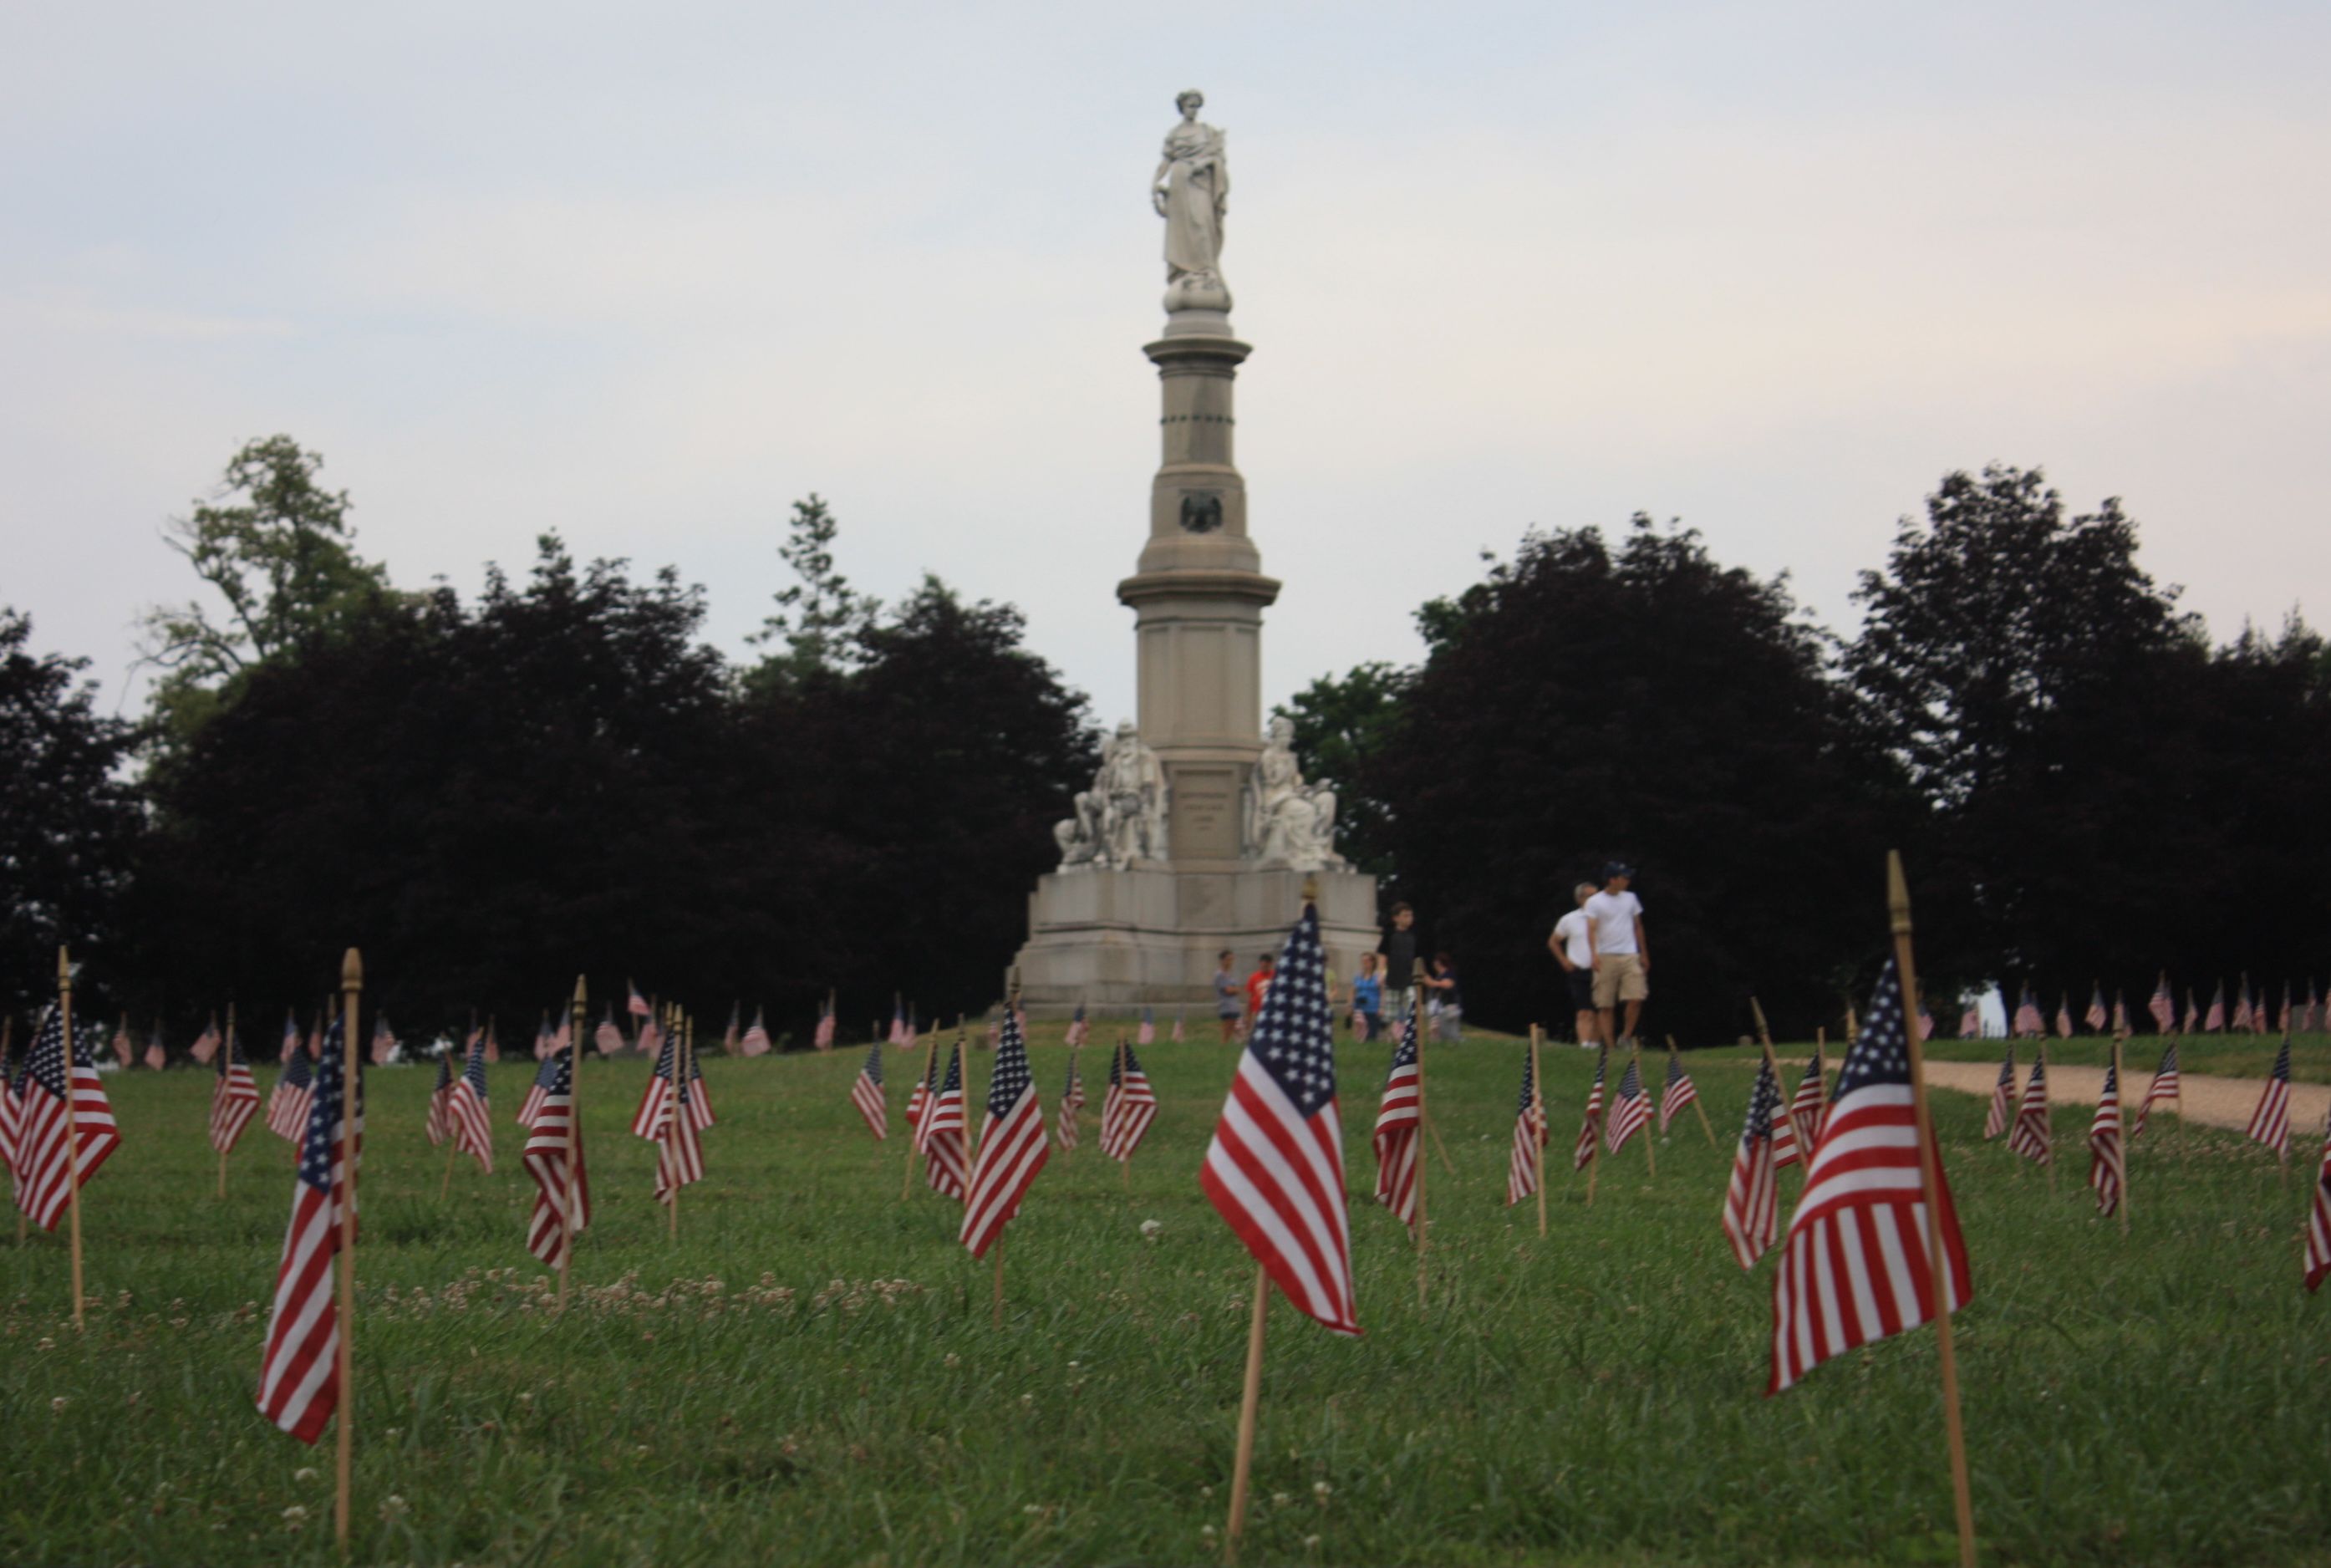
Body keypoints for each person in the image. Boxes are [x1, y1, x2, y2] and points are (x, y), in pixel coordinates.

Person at [1586, 863, 1649, 1047]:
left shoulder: (1631, 898)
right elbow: (1591, 929)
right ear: (1612, 880)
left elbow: (1638, 926)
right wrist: (1594, 955)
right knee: (1605, 1004)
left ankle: (1626, 1036)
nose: (1628, 881)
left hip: (1629, 954)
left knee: (1637, 997)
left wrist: (1644, 953)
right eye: (1624, 878)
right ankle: (1610, 1045)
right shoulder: (1595, 902)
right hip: (1606, 954)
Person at [1547, 881, 1600, 1047]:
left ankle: (1596, 1043)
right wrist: (1564, 960)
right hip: (1578, 970)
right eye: (1590, 896)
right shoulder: (1569, 919)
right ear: (1580, 899)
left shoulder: (1604, 919)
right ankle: (1584, 1043)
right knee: (1584, 1010)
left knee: (1599, 1010)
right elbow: (1554, 942)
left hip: (1601, 969)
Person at [1423, 953, 1463, 1042]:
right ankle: (1435, 1041)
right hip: (1438, 1007)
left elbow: (1447, 984)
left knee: (1450, 1032)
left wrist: (1432, 983)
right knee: (1435, 1028)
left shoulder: (1449, 974)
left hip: (1449, 1006)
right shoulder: (1439, 976)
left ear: (1438, 963)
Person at [1351, 952, 1384, 1042]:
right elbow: (1353, 991)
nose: (1365, 963)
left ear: (1373, 962)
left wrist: (1381, 1007)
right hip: (1359, 1008)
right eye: (1363, 961)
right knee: (1360, 1034)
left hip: (1373, 1008)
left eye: (1367, 961)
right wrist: (1350, 1005)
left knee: (1371, 1035)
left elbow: (1382, 993)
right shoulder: (1358, 976)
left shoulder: (1377, 977)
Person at [1213, 949, 1243, 1042]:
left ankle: (1233, 1044)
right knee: (1227, 1030)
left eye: (1231, 960)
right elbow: (1228, 990)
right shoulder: (1219, 975)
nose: (1230, 962)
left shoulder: (1229, 974)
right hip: (1226, 1006)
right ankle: (1223, 1046)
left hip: (1233, 1006)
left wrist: (1235, 989)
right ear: (1222, 960)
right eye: (1228, 959)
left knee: (1236, 1029)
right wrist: (1236, 989)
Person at [1244, 952, 1276, 1031]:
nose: (1264, 966)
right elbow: (1250, 998)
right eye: (1263, 964)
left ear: (1271, 964)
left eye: (1267, 965)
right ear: (1260, 963)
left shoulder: (1276, 976)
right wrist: (1248, 1016)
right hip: (1258, 1011)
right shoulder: (1254, 977)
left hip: (1272, 1011)